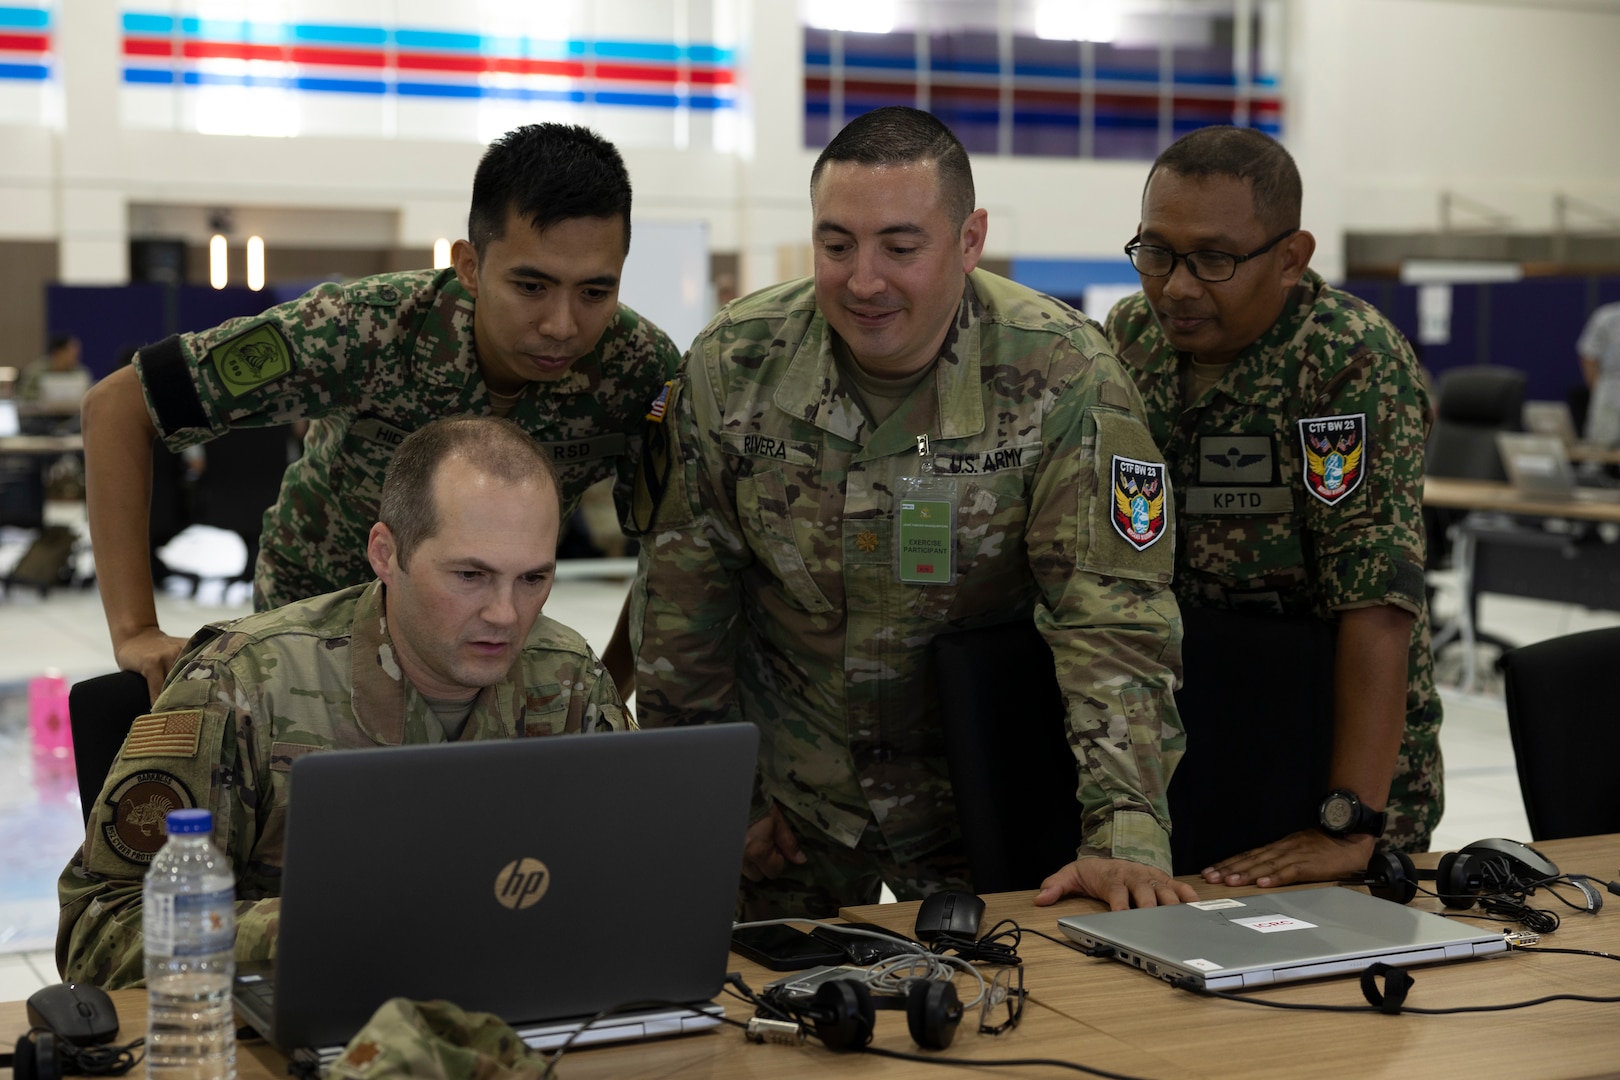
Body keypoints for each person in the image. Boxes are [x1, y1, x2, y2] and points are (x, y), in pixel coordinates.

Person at [632, 106, 1192, 918]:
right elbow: (683, 606)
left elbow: (1111, 619)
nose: (863, 281)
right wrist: (712, 795)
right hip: (792, 808)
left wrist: (1123, 831)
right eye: (836, 245)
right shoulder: (736, 363)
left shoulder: (1060, 372)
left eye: (901, 247)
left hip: (981, 795)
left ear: (969, 242)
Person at [80, 123, 681, 702]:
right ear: (470, 266)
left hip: (483, 639)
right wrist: (135, 630)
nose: (562, 325)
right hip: (316, 633)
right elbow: (117, 406)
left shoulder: (636, 368)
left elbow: (671, 545)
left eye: (595, 292)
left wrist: (609, 684)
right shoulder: (361, 328)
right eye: (531, 286)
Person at [58, 417, 631, 988]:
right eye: (470, 575)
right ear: (385, 553)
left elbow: (643, 875)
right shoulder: (244, 682)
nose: (506, 615)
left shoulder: (569, 678)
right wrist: (316, 930)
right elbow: (100, 925)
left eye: (533, 578)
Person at [1104, 125, 1441, 889]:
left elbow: (1377, 604)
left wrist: (1350, 821)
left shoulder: (1345, 359)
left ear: (1291, 258)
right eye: (1156, 252)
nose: (1178, 286)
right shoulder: (1131, 336)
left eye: (1214, 259)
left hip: (1327, 744)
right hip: (1197, 729)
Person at [1576, 299, 1620, 447]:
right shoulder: (1607, 316)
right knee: (1599, 446)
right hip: (1610, 386)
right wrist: (1597, 389)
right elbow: (1589, 355)